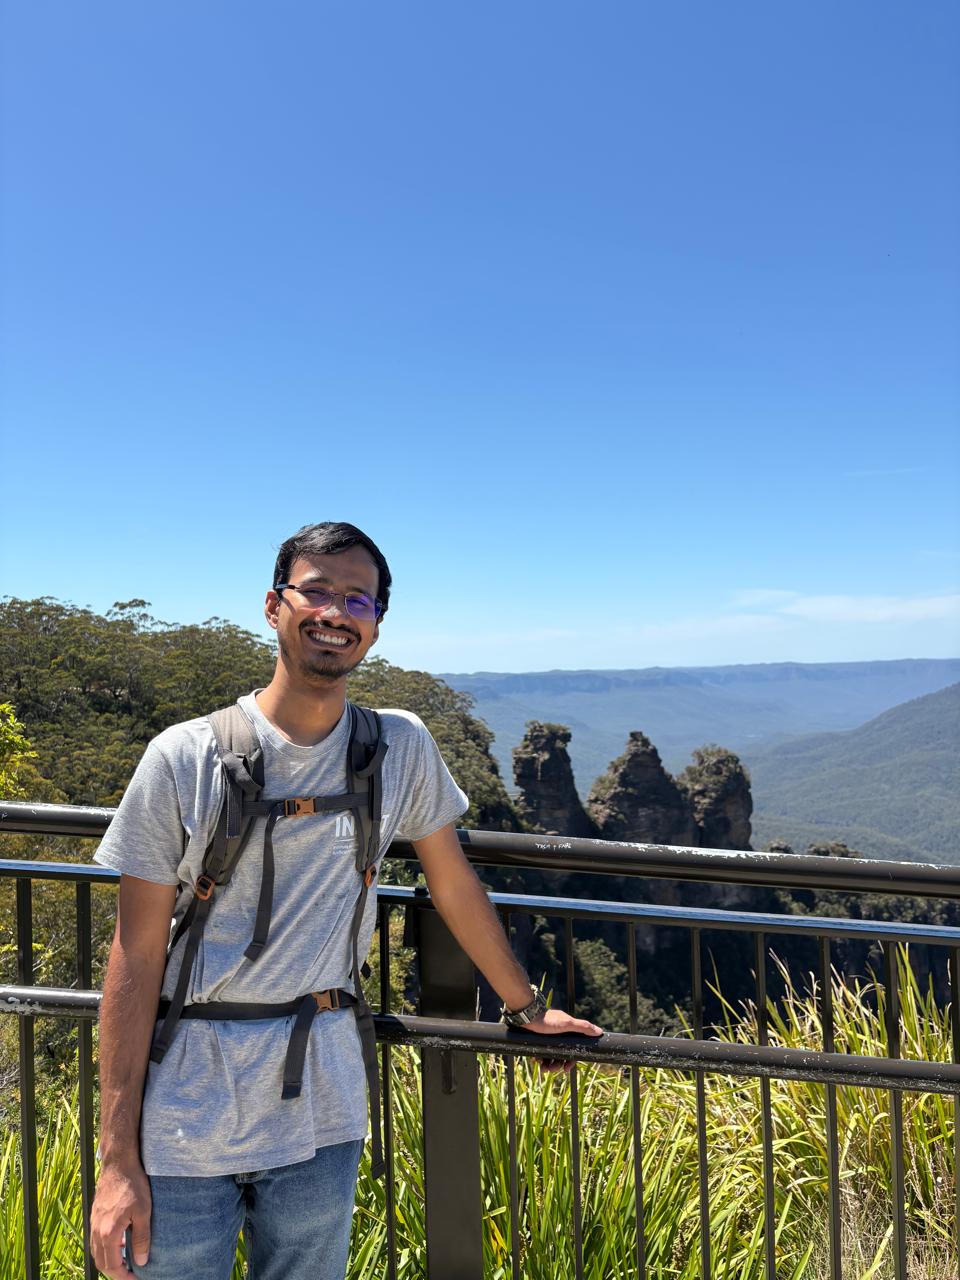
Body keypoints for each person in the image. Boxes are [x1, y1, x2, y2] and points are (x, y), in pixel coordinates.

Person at [89, 521, 602, 1280]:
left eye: (356, 599)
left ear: (376, 623)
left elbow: (453, 884)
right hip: (185, 1112)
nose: (335, 612)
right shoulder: (183, 757)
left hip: (322, 1108)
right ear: (274, 606)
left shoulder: (401, 746)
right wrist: (117, 1159)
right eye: (316, 592)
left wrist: (526, 1010)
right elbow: (134, 956)